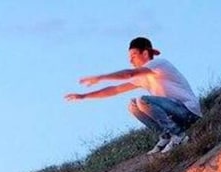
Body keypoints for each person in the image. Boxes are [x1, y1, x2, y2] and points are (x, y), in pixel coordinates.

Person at [66, 37, 202, 154]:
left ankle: (178, 135)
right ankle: (166, 136)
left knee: (142, 100)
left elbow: (129, 73)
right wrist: (84, 96)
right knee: (133, 105)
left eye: (134, 56)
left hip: (188, 112)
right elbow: (115, 90)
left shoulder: (159, 64)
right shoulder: (143, 76)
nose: (131, 61)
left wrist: (101, 77)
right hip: (176, 115)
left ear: (145, 53)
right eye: (130, 58)